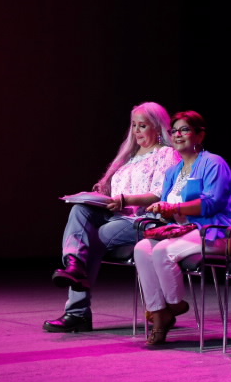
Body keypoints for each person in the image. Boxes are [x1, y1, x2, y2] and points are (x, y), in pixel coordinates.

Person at [45, 102, 178, 332]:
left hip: (144, 220)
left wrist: (126, 200)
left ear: (157, 127)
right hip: (117, 215)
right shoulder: (128, 157)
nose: (136, 131)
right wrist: (102, 192)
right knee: (79, 210)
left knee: (92, 238)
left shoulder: (166, 154)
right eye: (134, 125)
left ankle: (77, 312)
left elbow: (160, 194)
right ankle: (73, 265)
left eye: (142, 125)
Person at [134, 111, 231, 346]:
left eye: (184, 130)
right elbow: (168, 207)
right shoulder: (173, 172)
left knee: (163, 251)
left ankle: (174, 305)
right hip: (182, 231)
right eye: (174, 131)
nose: (177, 135)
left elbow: (212, 203)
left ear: (200, 135)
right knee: (142, 248)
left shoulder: (213, 163)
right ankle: (159, 312)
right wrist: (162, 210)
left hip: (216, 231)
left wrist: (174, 207)